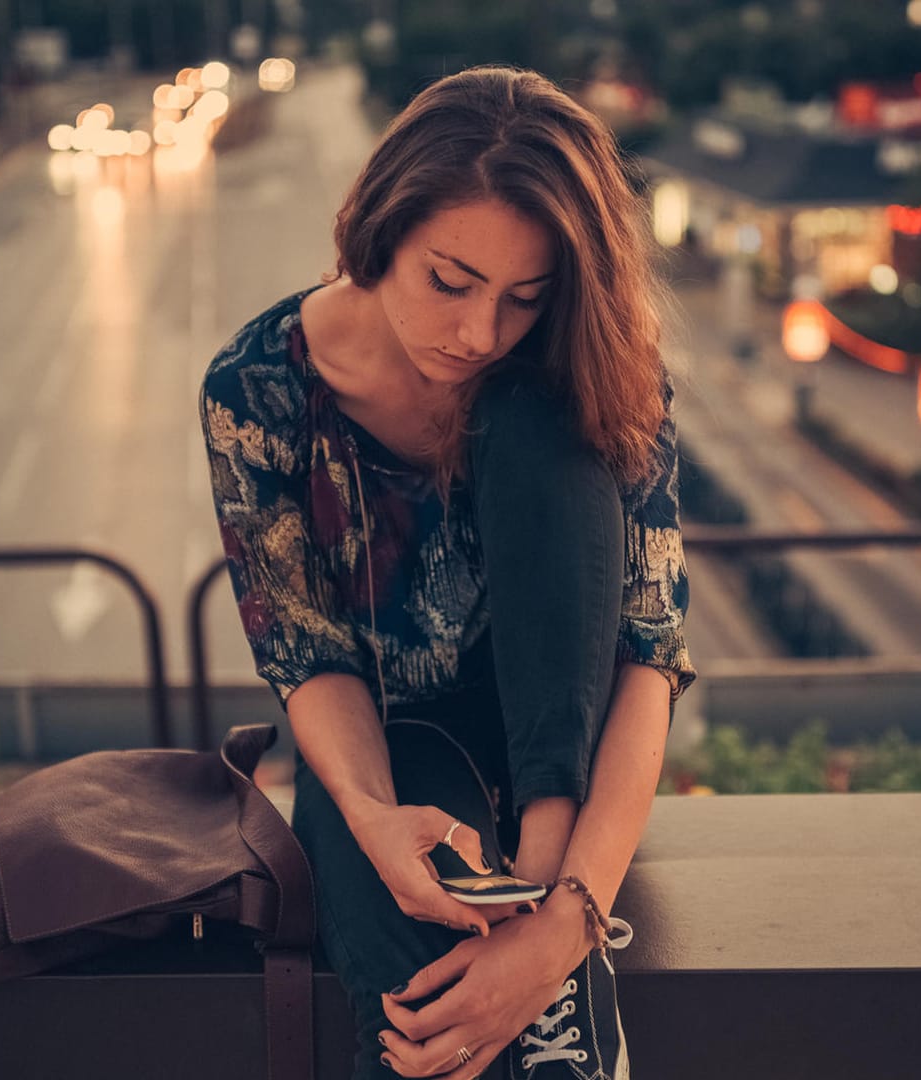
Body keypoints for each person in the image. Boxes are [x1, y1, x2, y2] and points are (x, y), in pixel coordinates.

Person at [200, 65, 695, 1079]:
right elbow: (306, 655)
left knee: (534, 416)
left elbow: (648, 656)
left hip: (569, 768)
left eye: (524, 298)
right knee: (415, 1025)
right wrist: (375, 819)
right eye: (450, 280)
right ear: (381, 229)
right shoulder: (257, 390)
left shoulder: (586, 371)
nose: (478, 334)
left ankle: (561, 987)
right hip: (385, 757)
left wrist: (565, 917)